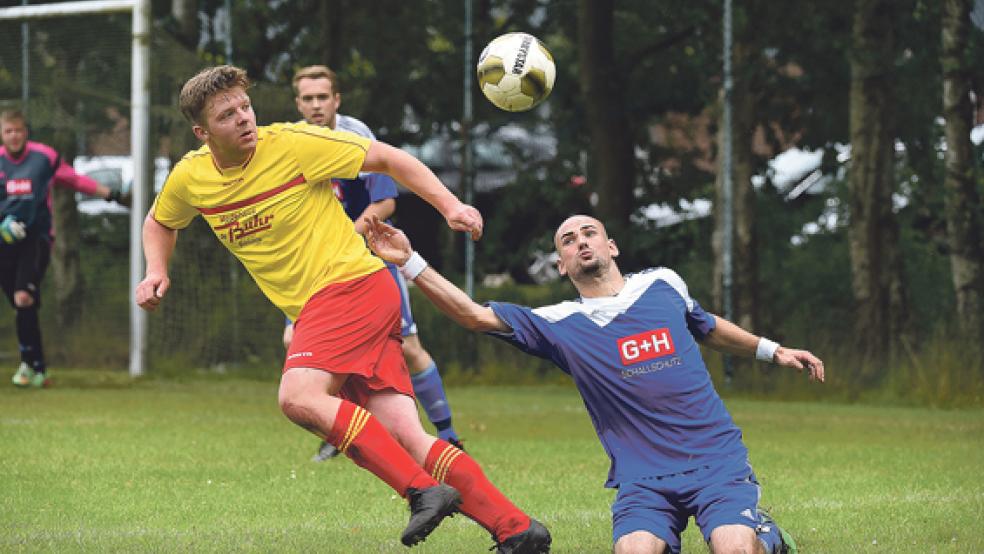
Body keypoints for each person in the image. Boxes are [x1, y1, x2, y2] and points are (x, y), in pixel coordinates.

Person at [135, 66, 550, 552]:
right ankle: (518, 530)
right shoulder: (191, 175)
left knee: (298, 396)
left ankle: (420, 491)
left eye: (245, 107)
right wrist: (155, 270)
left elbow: (389, 159)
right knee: (405, 435)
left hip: (351, 288)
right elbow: (160, 220)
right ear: (202, 132)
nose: (244, 118)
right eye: (227, 115)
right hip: (335, 302)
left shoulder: (293, 143)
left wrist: (451, 205)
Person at [364, 214, 826, 554]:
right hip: (643, 478)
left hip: (715, 462)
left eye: (589, 233)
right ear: (561, 265)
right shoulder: (557, 324)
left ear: (612, 246)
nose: (581, 242)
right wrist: (410, 261)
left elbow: (705, 325)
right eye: (567, 240)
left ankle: (767, 537)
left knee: (733, 547)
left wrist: (772, 350)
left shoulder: (663, 284)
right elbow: (471, 313)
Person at [285, 66, 462, 463]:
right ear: (298, 104)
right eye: (307, 99)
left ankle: (447, 433)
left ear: (336, 100)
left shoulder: (358, 138)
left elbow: (385, 202)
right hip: (318, 266)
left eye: (322, 97)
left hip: (369, 258)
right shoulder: (293, 144)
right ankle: (341, 429)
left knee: (410, 348)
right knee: (294, 343)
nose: (315, 105)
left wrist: (347, 236)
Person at [1, 109, 127, 388]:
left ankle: (27, 366)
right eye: (8, 131)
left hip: (37, 240)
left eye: (18, 130)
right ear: (2, 134)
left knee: (23, 299)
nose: (14, 136)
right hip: (5, 246)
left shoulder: (43, 158)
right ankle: (38, 367)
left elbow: (73, 179)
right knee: (23, 305)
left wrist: (113, 195)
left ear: (26, 131)